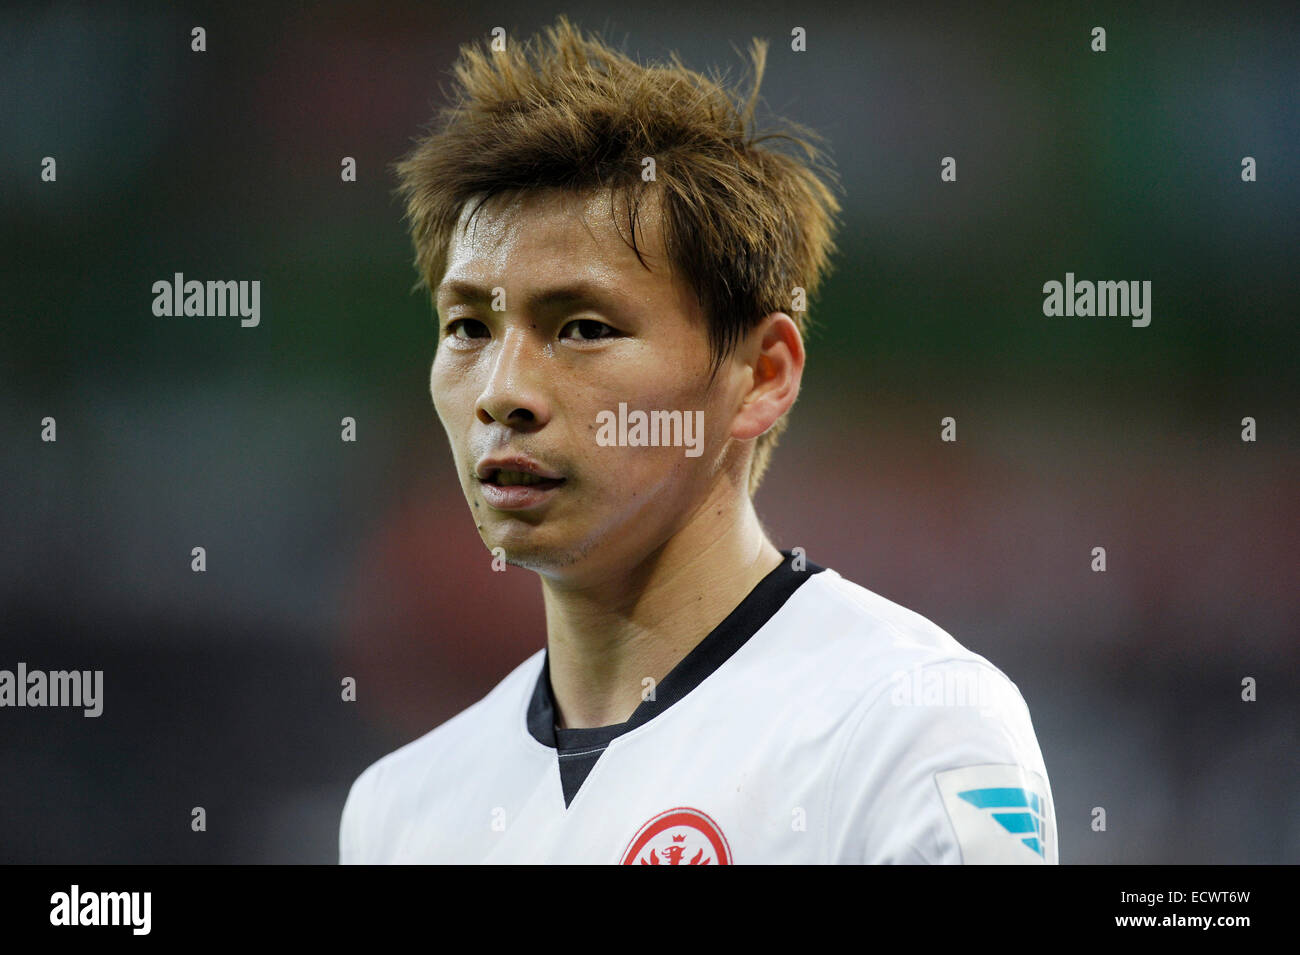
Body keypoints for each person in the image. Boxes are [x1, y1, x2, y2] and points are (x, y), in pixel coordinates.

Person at [339, 15, 1057, 864]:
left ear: (761, 375)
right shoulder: (398, 811)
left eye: (583, 328)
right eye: (468, 327)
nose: (503, 391)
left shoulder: (915, 727)